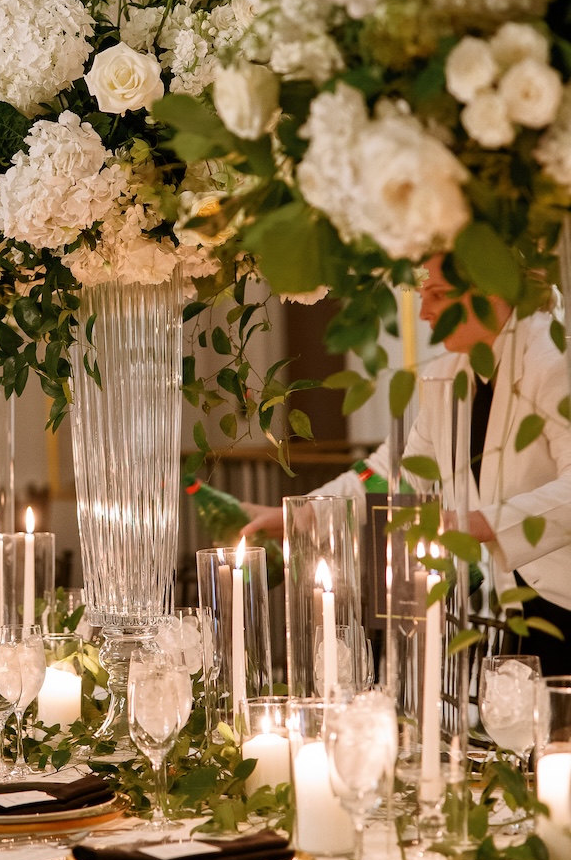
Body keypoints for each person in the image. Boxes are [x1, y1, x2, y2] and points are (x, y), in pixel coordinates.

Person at [241, 256, 571, 675]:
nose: (424, 311)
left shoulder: (552, 359)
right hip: (510, 605)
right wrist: (303, 515)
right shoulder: (449, 375)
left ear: (492, 287)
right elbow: (392, 473)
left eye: (437, 295)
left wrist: (475, 523)